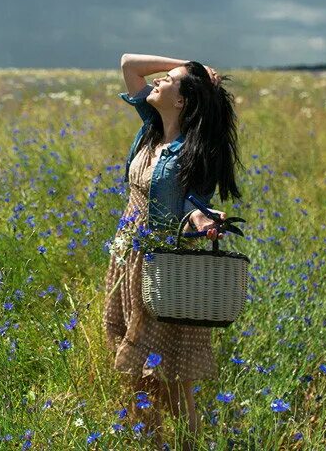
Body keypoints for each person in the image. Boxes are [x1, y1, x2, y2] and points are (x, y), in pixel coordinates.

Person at [103, 53, 242, 450]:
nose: (159, 80)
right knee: (138, 377)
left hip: (161, 268)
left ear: (181, 101)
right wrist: (190, 63)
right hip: (128, 259)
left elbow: (190, 204)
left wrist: (200, 218)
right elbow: (130, 63)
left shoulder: (190, 152)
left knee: (171, 382)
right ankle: (151, 443)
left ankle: (184, 446)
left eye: (170, 79)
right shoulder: (151, 128)